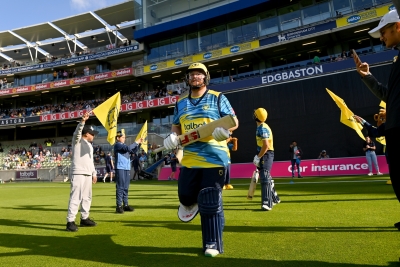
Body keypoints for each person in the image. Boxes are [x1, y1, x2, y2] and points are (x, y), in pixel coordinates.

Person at [163, 62, 238, 257]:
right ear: (187, 79)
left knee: (210, 200)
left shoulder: (217, 97)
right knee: (186, 197)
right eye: (192, 74)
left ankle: (212, 244)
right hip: (190, 158)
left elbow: (233, 121)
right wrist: (172, 138)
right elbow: (176, 127)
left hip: (214, 157)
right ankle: (204, 205)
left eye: (199, 74)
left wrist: (225, 132)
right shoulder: (180, 102)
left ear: (206, 77)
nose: (195, 77)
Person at [354, 9, 400, 229]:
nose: (382, 37)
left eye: (384, 32)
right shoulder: (397, 60)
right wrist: (367, 77)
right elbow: (388, 95)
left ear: (397, 26)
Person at [66, 112, 98, 232]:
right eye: (92, 134)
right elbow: (77, 133)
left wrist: (94, 173)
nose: (94, 136)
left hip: (88, 174)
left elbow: (90, 161)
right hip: (78, 172)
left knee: (87, 197)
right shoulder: (77, 141)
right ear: (87, 134)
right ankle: (70, 221)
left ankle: (84, 218)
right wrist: (82, 122)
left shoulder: (90, 145)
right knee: (76, 197)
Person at [253, 108, 281, 211]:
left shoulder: (263, 128)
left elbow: (266, 146)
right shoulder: (261, 126)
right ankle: (275, 198)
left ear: (256, 117)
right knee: (266, 176)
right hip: (263, 153)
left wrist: (258, 157)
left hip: (266, 153)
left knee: (264, 176)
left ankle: (267, 203)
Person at [114, 129, 142, 214]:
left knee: (126, 187)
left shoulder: (123, 145)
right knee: (120, 187)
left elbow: (133, 151)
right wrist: (136, 142)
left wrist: (139, 144)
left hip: (126, 168)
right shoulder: (117, 145)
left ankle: (125, 205)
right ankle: (119, 206)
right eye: (123, 137)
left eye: (124, 137)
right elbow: (128, 148)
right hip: (120, 167)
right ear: (118, 138)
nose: (124, 138)